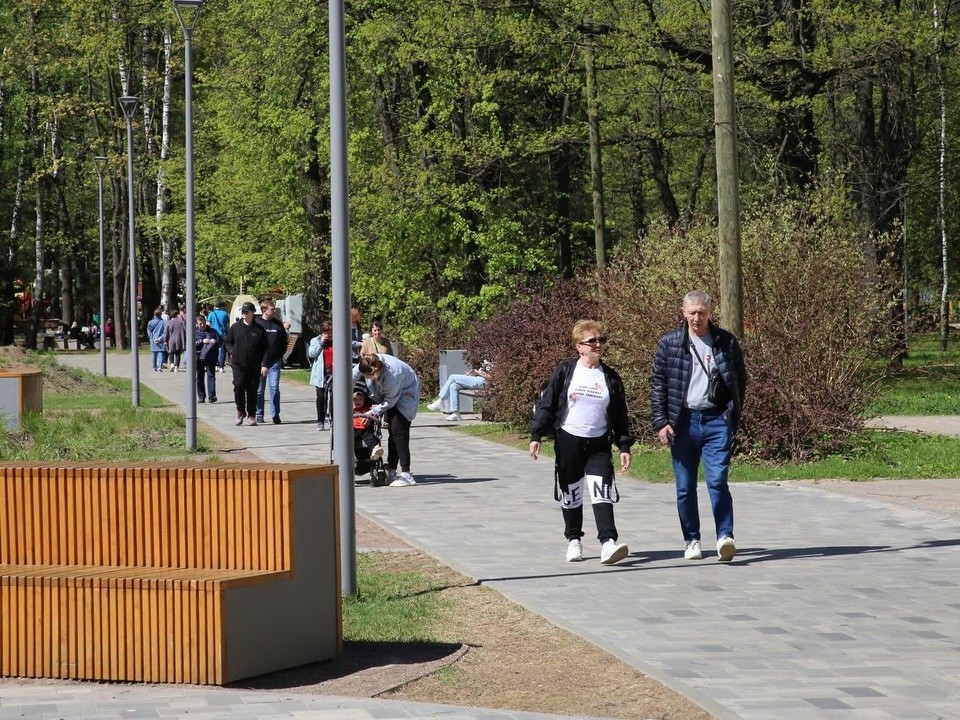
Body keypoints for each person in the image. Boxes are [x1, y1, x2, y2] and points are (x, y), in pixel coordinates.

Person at [651, 290, 747, 562]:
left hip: (717, 420)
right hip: (683, 422)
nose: (697, 317)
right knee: (685, 486)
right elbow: (658, 385)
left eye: (702, 312)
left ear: (710, 312)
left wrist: (731, 415)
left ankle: (724, 537)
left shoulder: (725, 341)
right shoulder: (669, 343)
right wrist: (661, 422)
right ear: (683, 312)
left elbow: (739, 380)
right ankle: (692, 539)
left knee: (717, 481)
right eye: (692, 312)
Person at [529, 320, 633, 566]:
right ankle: (573, 540)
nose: (598, 345)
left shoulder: (610, 377)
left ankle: (608, 543)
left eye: (601, 340)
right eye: (592, 341)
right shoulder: (566, 371)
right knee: (572, 493)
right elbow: (548, 403)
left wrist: (624, 445)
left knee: (602, 492)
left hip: (599, 443)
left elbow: (620, 414)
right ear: (579, 346)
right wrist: (536, 435)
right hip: (569, 441)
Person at [353, 353, 420, 487]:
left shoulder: (393, 375)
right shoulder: (365, 364)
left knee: (399, 432)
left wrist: (371, 412)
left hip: (405, 397)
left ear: (375, 373)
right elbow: (349, 378)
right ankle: (392, 471)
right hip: (388, 397)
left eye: (368, 377)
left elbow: (390, 401)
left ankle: (407, 474)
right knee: (392, 434)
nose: (365, 379)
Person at [224, 301, 268, 426]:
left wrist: (264, 364)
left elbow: (265, 348)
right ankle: (240, 411)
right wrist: (232, 351)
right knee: (238, 386)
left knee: (252, 390)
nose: (244, 313)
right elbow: (228, 341)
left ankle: (252, 414)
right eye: (243, 311)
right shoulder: (235, 327)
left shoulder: (259, 329)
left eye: (246, 311)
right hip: (238, 364)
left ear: (252, 313)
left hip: (254, 365)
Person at [254, 298, 289, 424]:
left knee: (274, 387)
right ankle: (259, 413)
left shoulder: (278, 324)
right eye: (271, 308)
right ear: (264, 310)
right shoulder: (257, 323)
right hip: (259, 361)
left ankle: (275, 414)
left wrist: (279, 355)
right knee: (259, 389)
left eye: (274, 308)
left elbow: (284, 342)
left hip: (274, 361)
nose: (274, 310)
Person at [426, 362, 491, 422]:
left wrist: (478, 372)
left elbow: (490, 377)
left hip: (483, 382)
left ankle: (441, 400)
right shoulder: (491, 360)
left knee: (452, 377)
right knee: (453, 386)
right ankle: (455, 413)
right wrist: (473, 373)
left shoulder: (497, 361)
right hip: (478, 380)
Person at [308, 320, 334, 430]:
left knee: (334, 397)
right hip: (321, 373)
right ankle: (320, 420)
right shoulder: (315, 340)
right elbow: (311, 353)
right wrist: (321, 343)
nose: (328, 334)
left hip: (334, 372)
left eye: (330, 332)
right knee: (321, 397)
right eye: (326, 332)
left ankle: (333, 418)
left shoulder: (338, 339)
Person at [353, 389, 385, 475]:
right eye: (355, 399)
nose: (357, 401)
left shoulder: (368, 409)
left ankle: (375, 448)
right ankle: (351, 455)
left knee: (369, 436)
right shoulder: (348, 410)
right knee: (351, 438)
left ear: (364, 400)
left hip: (365, 429)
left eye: (360, 399)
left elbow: (375, 414)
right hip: (353, 430)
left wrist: (370, 418)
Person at [194, 313, 220, 403]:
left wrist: (215, 341)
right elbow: (191, 344)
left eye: (203, 323)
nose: (202, 325)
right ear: (197, 324)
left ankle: (212, 396)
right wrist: (202, 341)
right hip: (198, 357)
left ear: (205, 322)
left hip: (210, 356)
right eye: (200, 324)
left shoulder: (213, 331)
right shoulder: (194, 332)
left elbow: (220, 341)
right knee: (199, 377)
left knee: (211, 375)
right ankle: (201, 396)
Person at [207, 301, 230, 373]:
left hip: (213, 333)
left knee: (214, 349)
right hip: (222, 333)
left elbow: (208, 323)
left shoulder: (211, 314)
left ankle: (216, 364)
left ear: (214, 306)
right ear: (221, 306)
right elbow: (227, 324)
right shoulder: (225, 313)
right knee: (222, 350)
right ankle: (221, 366)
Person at [164, 307, 187, 372]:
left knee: (170, 352)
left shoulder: (169, 322)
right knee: (177, 354)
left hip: (170, 340)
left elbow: (166, 333)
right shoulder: (181, 322)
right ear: (177, 315)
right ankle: (176, 366)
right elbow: (184, 331)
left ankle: (171, 364)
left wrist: (165, 340)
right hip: (179, 339)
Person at [146, 307, 167, 371]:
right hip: (160, 341)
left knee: (154, 354)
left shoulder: (151, 322)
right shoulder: (163, 323)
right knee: (160, 354)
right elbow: (165, 333)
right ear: (160, 315)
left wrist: (151, 337)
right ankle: (160, 367)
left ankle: (154, 367)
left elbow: (149, 331)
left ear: (154, 315)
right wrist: (160, 339)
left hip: (153, 340)